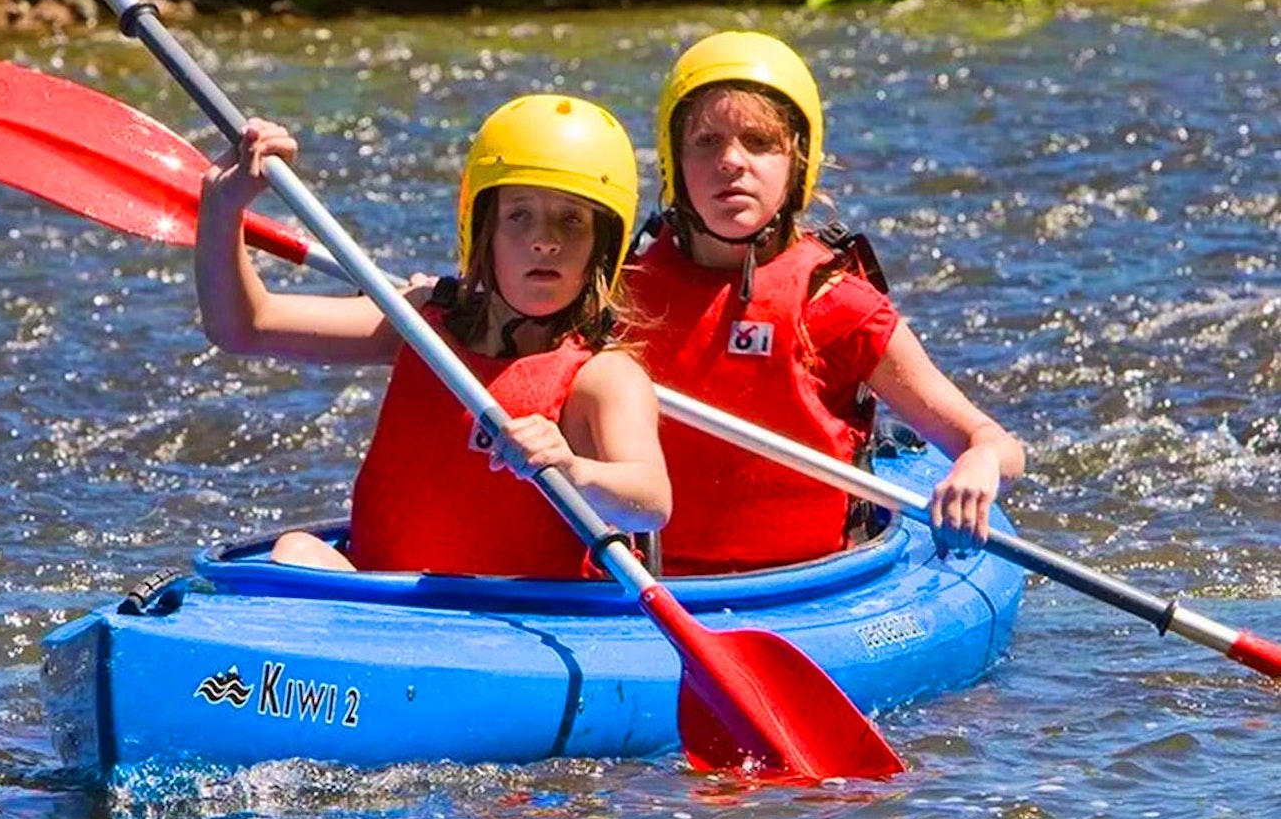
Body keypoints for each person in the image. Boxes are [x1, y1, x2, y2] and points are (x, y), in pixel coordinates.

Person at [195, 94, 671, 577]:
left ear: (602, 246)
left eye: (571, 220)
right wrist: (222, 207)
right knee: (296, 551)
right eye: (519, 215)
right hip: (382, 607)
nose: (544, 239)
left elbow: (651, 502)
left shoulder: (605, 376)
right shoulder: (423, 323)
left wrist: (572, 469)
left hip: (528, 623)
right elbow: (244, 326)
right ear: (480, 229)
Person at [627, 31, 1024, 575]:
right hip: (644, 583)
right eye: (706, 142)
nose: (731, 162)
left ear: (798, 162)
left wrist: (979, 464)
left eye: (759, 142)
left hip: (813, 586)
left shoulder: (833, 301)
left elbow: (994, 443)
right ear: (674, 160)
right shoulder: (622, 295)